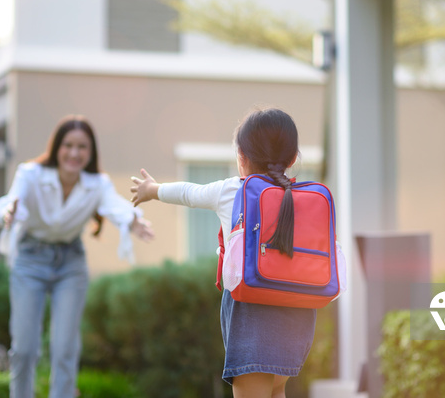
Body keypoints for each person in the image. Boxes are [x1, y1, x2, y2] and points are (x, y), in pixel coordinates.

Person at [130, 107, 315, 398]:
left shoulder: (232, 191)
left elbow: (188, 193)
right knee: (277, 391)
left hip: (252, 314)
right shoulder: (304, 197)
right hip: (297, 319)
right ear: (292, 159)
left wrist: (153, 190)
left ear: (241, 157)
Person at [0, 115, 154, 398]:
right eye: (68, 145)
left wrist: (132, 220)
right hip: (30, 259)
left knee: (65, 347)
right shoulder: (30, 174)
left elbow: (115, 206)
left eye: (82, 147)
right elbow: (7, 204)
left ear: (90, 153)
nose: (75, 153)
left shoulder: (97, 183)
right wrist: (7, 213)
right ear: (57, 148)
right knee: (26, 348)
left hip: (70, 263)